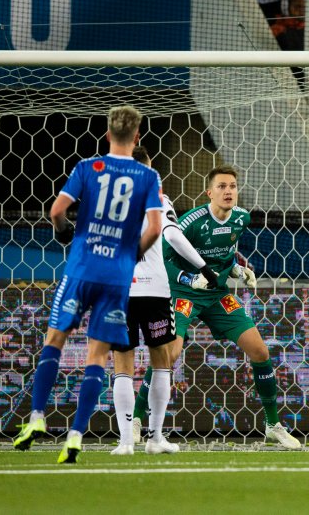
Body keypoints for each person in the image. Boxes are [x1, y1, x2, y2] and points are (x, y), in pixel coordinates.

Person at [13, 106, 163, 463]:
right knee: (97, 356)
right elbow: (155, 229)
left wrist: (63, 229)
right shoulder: (147, 177)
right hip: (116, 279)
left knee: (55, 341)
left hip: (80, 270)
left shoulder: (88, 167)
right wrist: (131, 255)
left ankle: (36, 418)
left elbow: (55, 211)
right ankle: (77, 435)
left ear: (108, 135)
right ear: (138, 136)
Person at [158, 165, 300, 449]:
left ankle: (273, 426)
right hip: (184, 292)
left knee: (259, 351)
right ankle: (139, 421)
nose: (228, 191)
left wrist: (236, 269)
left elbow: (223, 254)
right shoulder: (190, 222)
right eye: (222, 186)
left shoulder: (241, 218)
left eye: (233, 186)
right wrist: (188, 277)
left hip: (217, 294)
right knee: (168, 354)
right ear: (209, 192)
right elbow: (164, 259)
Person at [110, 146, 219, 455]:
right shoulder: (158, 197)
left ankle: (125, 442)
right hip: (156, 291)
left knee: (122, 365)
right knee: (161, 363)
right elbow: (172, 236)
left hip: (120, 290)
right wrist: (204, 268)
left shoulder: (109, 203)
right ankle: (155, 438)